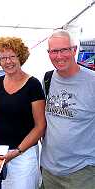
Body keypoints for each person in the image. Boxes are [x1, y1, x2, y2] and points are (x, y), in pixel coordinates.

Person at [0, 36, 46, 189]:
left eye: (12, 56)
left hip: (23, 155)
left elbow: (40, 126)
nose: (8, 62)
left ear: (20, 57)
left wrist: (17, 151)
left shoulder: (33, 85)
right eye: (3, 58)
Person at [40, 30, 95, 189]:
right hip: (50, 171)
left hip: (82, 172)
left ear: (74, 50)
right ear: (48, 53)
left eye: (64, 50)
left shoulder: (92, 82)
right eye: (54, 51)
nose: (59, 56)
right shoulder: (47, 79)